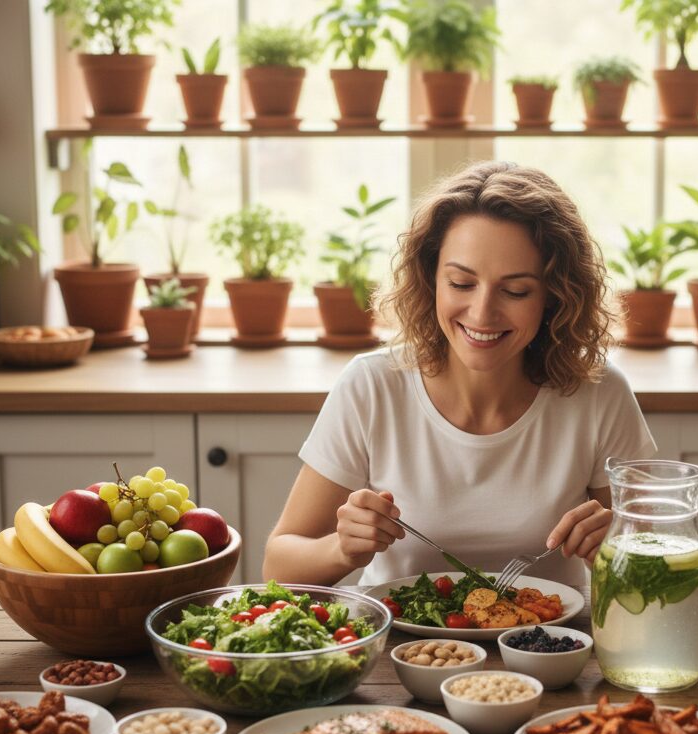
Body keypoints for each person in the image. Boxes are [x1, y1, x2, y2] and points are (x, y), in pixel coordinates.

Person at [264, 160, 655, 587]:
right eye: (461, 283)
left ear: (554, 295)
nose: (482, 313)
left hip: (553, 648)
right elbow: (279, 567)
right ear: (431, 279)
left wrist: (618, 548)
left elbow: (653, 573)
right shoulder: (372, 386)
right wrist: (340, 549)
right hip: (402, 651)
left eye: (515, 290)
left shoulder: (599, 393)